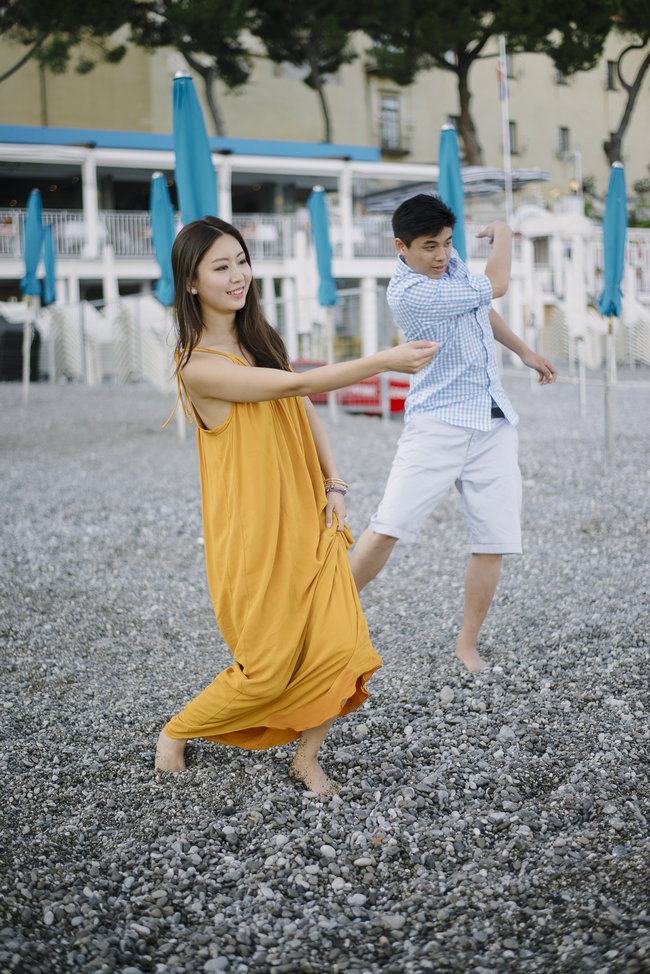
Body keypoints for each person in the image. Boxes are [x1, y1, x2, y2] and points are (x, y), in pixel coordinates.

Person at [154, 216, 439, 796]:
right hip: (255, 531)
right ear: (191, 282)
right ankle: (178, 730)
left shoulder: (257, 340)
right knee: (266, 667)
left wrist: (334, 483)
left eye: (241, 261)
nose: (239, 276)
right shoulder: (196, 367)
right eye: (221, 266)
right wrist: (382, 361)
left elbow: (302, 410)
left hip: (310, 511)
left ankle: (307, 758)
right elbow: (293, 388)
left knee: (337, 642)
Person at [349, 194, 557, 673]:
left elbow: (479, 307)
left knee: (493, 538)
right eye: (429, 247)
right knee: (386, 529)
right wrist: (504, 232)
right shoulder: (408, 291)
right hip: (437, 423)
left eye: (446, 243)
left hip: (493, 422)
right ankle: (315, 616)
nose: (441, 255)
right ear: (401, 247)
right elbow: (496, 285)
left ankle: (467, 645)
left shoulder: (450, 265)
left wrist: (524, 352)